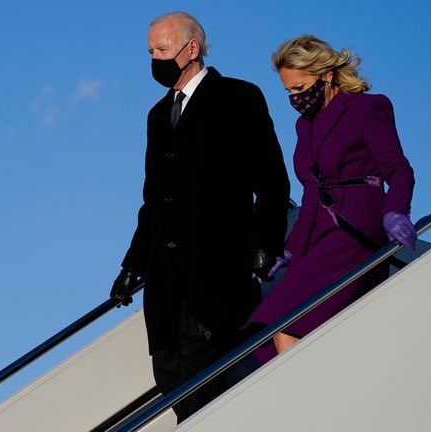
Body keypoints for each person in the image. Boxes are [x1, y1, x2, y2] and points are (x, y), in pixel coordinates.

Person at [109, 11, 291, 422]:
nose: (155, 58)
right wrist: (131, 265)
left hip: (216, 270)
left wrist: (265, 242)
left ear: (192, 48)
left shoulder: (238, 97)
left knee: (207, 375)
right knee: (170, 373)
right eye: (150, 51)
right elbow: (153, 201)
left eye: (163, 49)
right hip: (165, 282)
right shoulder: (158, 116)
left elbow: (272, 180)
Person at [245, 35, 416, 359]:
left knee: (286, 321)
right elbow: (313, 190)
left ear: (324, 74)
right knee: (274, 332)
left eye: (299, 88)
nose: (295, 98)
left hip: (357, 226)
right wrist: (290, 249)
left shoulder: (367, 107)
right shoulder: (303, 125)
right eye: (288, 92)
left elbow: (399, 169)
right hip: (319, 234)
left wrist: (396, 211)